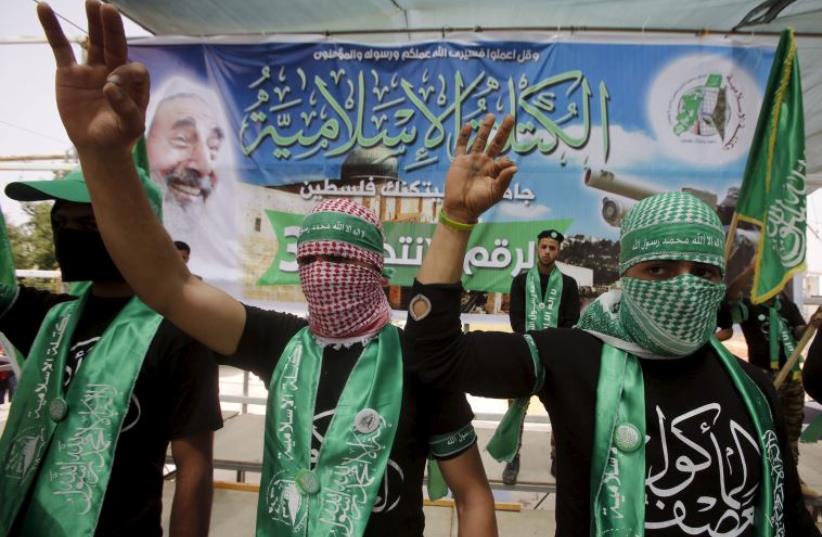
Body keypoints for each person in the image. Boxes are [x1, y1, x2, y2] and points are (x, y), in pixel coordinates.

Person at [35, 3, 497, 536]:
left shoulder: (415, 363)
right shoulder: (279, 345)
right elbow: (168, 285)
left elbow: (472, 497)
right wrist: (105, 157)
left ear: (375, 270)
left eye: (342, 259)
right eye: (311, 257)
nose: (325, 272)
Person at [403, 113, 818, 535]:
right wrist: (456, 221)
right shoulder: (574, 358)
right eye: (659, 270)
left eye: (704, 273)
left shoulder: (753, 390)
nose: (685, 286)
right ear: (626, 274)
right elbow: (433, 356)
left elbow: (791, 520)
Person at [0, 168, 222, 536]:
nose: (68, 233)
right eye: (61, 221)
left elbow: (193, 470)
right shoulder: (47, 317)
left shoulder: (177, 334)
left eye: (88, 223)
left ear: (139, 229)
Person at [505, 228, 580, 484]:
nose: (547, 252)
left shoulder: (568, 285)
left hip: (556, 357)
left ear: (559, 251)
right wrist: (534, 341)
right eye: (544, 247)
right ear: (537, 249)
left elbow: (572, 321)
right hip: (525, 353)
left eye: (553, 248)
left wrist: (552, 344)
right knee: (515, 408)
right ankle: (512, 457)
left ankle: (558, 457)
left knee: (560, 409)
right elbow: (516, 318)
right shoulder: (521, 281)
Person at [716, 271, 809, 472]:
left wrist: (812, 326)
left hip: (792, 376)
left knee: (792, 430)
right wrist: (750, 268)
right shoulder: (750, 305)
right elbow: (730, 297)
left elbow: (799, 331)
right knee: (762, 428)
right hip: (763, 378)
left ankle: (790, 476)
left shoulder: (787, 306)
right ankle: (763, 476)